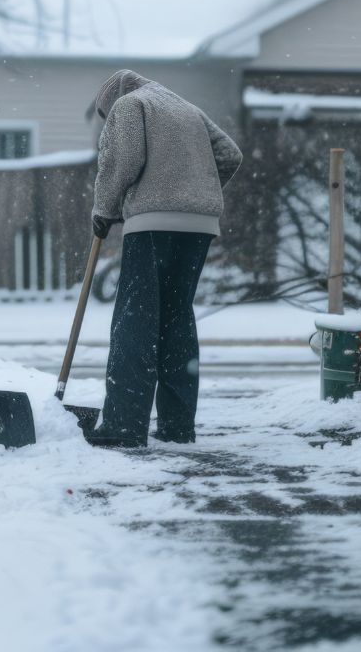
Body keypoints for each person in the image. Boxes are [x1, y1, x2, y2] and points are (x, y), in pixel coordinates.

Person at [85, 70, 242, 448]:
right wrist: (195, 191)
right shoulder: (187, 108)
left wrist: (104, 210)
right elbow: (230, 155)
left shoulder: (129, 105)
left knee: (135, 321)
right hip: (200, 225)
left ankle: (124, 425)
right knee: (177, 319)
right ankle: (177, 426)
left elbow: (121, 160)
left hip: (152, 223)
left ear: (111, 101)